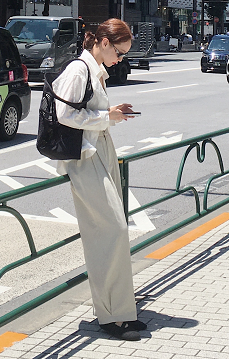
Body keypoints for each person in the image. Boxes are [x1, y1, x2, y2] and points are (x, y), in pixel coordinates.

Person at [52, 18, 146, 341]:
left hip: (99, 150)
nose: (121, 59)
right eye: (119, 52)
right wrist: (108, 116)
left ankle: (122, 312)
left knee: (112, 231)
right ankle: (111, 316)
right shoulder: (79, 70)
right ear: (104, 43)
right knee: (112, 230)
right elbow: (64, 115)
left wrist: (112, 113)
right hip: (85, 157)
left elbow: (87, 112)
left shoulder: (95, 70)